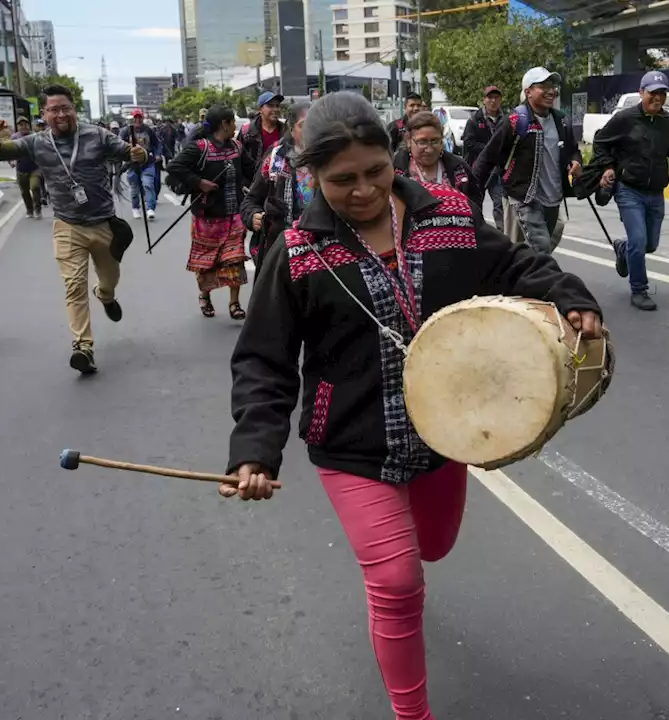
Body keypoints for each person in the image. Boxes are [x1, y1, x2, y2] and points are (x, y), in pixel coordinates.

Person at [224, 92, 602, 720]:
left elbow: (512, 263)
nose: (364, 189)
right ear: (310, 174)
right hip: (349, 442)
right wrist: (255, 452)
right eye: (342, 180)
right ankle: (412, 713)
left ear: (390, 152)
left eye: (375, 170)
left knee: (435, 546)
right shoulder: (296, 254)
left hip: (442, 436)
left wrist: (567, 293)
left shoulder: (447, 216)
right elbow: (263, 361)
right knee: (398, 583)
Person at [0, 84, 148, 375]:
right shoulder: (36, 142)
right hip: (67, 226)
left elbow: (129, 153)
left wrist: (139, 154)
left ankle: (106, 296)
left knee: (110, 279)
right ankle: (83, 347)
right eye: (53, 109)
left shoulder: (96, 134)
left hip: (104, 223)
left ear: (74, 109)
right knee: (73, 287)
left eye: (65, 108)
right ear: (43, 114)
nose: (61, 114)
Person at [592, 71, 669, 312]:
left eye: (662, 93)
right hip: (629, 189)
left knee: (649, 244)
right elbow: (600, 142)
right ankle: (639, 290)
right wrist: (607, 167)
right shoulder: (625, 118)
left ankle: (622, 248)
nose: (657, 98)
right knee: (638, 241)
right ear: (641, 93)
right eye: (653, 93)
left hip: (655, 191)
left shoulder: (666, 121)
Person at [472, 67, 582, 256]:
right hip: (524, 197)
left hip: (553, 198)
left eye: (553, 85)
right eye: (543, 86)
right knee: (541, 248)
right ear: (528, 92)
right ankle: (540, 284)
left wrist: (576, 162)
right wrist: (471, 195)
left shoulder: (561, 121)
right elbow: (487, 158)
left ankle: (515, 280)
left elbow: (573, 150)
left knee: (533, 248)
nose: (551, 91)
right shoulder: (515, 121)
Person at [165, 105, 250, 321]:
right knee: (207, 261)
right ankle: (205, 296)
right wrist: (199, 182)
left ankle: (234, 303)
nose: (234, 127)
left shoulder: (238, 147)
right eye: (232, 122)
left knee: (235, 258)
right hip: (207, 216)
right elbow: (175, 167)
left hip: (234, 214)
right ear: (225, 124)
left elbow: (251, 170)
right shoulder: (199, 148)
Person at [239, 102, 310, 277]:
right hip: (284, 248)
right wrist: (253, 216)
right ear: (292, 129)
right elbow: (251, 200)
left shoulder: (332, 160)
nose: (311, 131)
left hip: (325, 250)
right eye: (304, 126)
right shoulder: (278, 158)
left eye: (316, 125)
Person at [392, 111, 479, 199]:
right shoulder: (394, 170)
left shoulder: (460, 168)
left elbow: (475, 203)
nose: (429, 149)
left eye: (435, 141)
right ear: (408, 141)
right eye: (422, 142)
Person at [459, 86, 505, 228]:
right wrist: (489, 149)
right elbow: (469, 143)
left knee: (499, 203)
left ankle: (501, 235)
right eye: (489, 98)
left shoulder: (506, 120)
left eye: (496, 97)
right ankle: (477, 232)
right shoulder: (474, 120)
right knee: (476, 202)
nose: (493, 101)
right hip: (478, 169)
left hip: (497, 170)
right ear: (484, 100)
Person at [123, 111, 162, 220]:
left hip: (148, 162)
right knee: (135, 188)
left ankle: (150, 208)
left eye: (140, 118)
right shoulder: (127, 131)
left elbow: (157, 143)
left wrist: (158, 154)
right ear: (133, 119)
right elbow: (119, 145)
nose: (138, 120)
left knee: (148, 184)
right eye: (136, 118)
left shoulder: (148, 130)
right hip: (132, 163)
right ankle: (135, 208)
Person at [240, 91, 284, 184]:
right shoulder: (247, 131)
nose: (275, 109)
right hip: (253, 183)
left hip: (278, 183)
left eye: (277, 106)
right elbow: (238, 159)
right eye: (270, 106)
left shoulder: (285, 130)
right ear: (260, 109)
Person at [11, 117, 44, 218]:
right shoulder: (14, 138)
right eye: (21, 125)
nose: (23, 126)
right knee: (24, 191)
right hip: (21, 168)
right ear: (18, 127)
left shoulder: (35, 136)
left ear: (29, 125)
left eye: (25, 124)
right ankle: (29, 210)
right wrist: (11, 161)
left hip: (35, 168)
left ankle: (38, 209)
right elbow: (9, 152)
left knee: (35, 187)